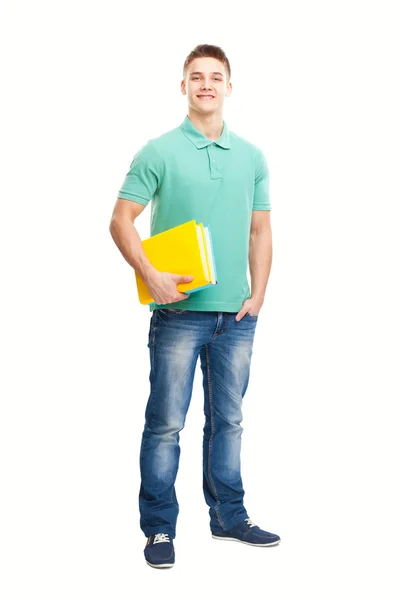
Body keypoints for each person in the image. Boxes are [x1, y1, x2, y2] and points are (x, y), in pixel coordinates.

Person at [109, 44, 281, 569]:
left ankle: (229, 516)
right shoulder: (158, 151)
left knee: (228, 421)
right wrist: (151, 275)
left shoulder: (252, 156)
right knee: (165, 423)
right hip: (179, 314)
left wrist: (259, 294)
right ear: (182, 87)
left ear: (230, 87)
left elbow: (260, 229)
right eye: (196, 77)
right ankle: (159, 530)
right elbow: (120, 219)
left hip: (237, 316)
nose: (206, 84)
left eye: (215, 77)